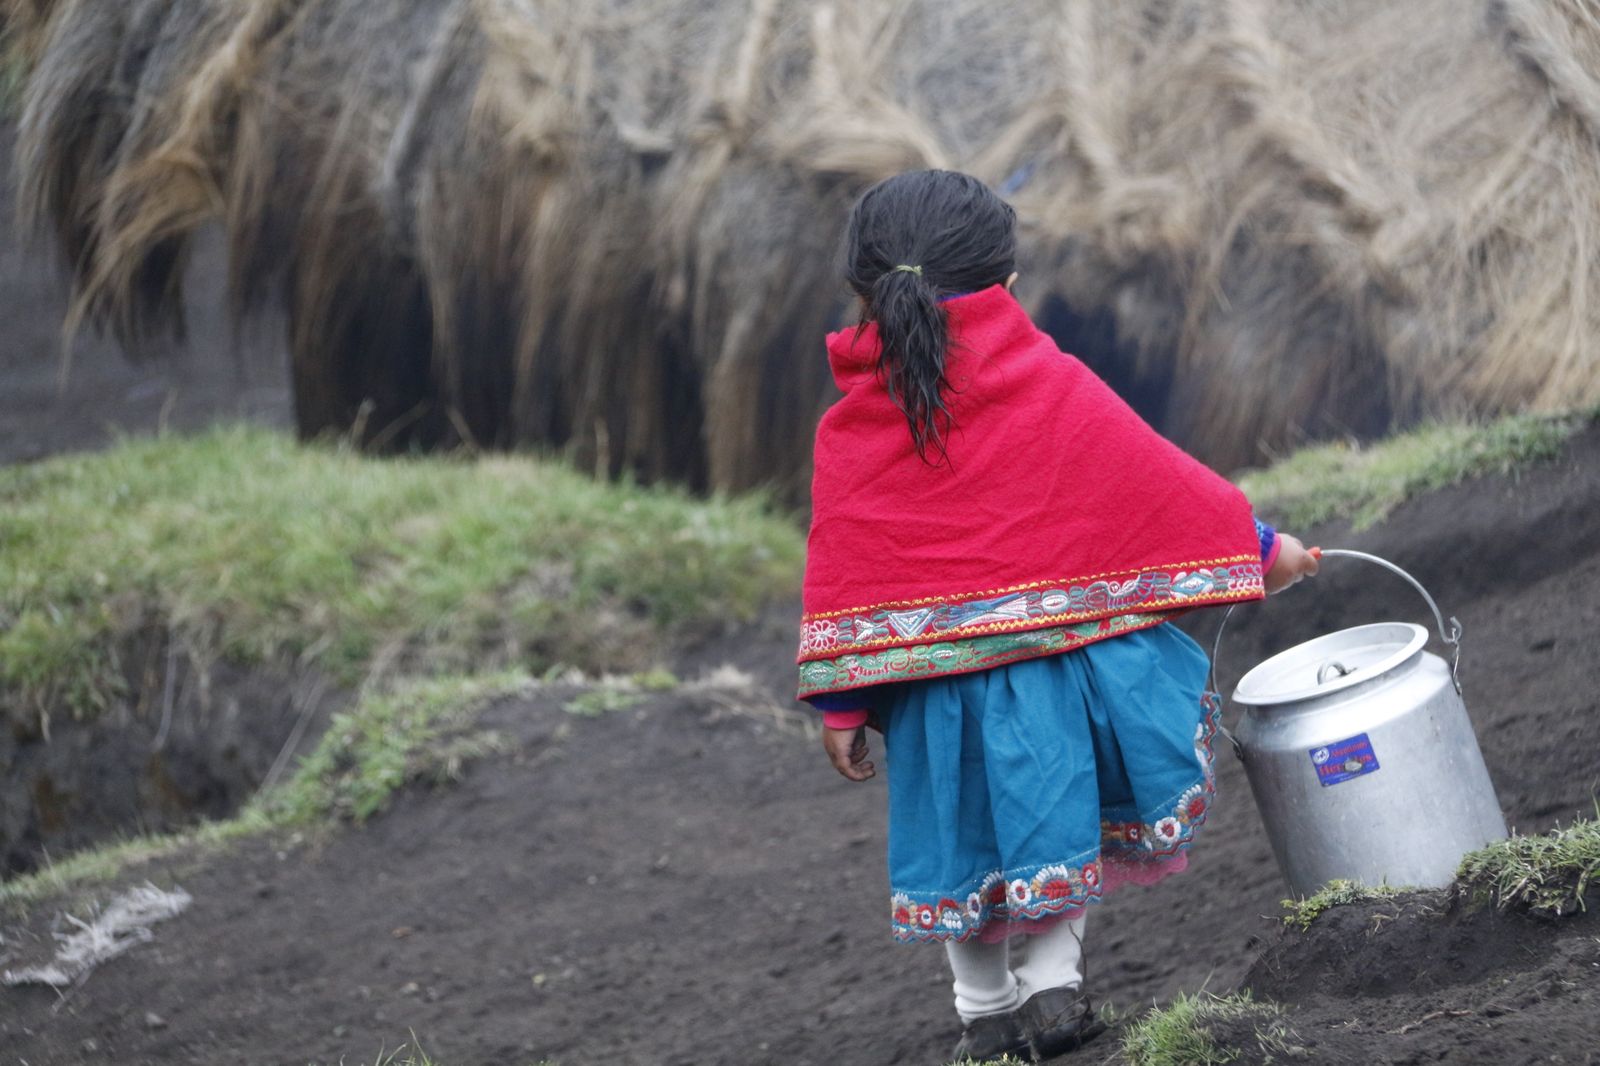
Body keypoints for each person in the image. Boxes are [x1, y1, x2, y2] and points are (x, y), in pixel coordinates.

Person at [798, 170, 1319, 1063]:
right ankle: (1053, 996)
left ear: (865, 292)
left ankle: (985, 1013)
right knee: (1050, 828)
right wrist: (1269, 553)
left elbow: (849, 566)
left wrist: (842, 709)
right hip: (1051, 688)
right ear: (1003, 286)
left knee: (961, 840)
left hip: (931, 704)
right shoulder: (1049, 382)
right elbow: (1162, 488)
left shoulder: (853, 423)